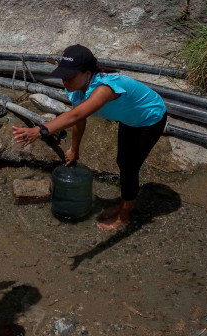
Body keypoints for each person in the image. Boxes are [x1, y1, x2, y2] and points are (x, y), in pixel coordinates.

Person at [12, 44, 167, 231]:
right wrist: (74, 149)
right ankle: (125, 203)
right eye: (63, 75)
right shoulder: (76, 88)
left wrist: (40, 130)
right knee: (123, 161)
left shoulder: (104, 89)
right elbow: (80, 118)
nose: (65, 80)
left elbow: (75, 116)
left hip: (149, 118)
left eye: (70, 75)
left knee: (129, 166)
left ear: (87, 73)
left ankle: (124, 216)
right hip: (129, 118)